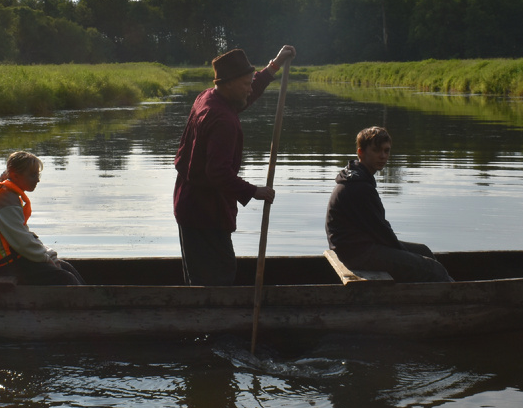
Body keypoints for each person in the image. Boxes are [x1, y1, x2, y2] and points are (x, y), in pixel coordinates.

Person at [173, 44, 296, 285]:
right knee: (217, 279)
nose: (250, 88)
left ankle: (202, 318)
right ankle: (211, 322)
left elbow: (248, 92)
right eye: (245, 83)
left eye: (251, 81)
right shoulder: (223, 121)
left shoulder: (210, 97)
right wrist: (254, 191)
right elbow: (217, 172)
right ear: (228, 83)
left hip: (190, 207)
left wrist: (275, 65)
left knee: (202, 278)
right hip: (205, 214)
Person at [325, 126, 453, 283]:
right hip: (356, 253)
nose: (383, 156)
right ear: (361, 152)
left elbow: (379, 231)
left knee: (424, 251)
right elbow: (382, 232)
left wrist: (410, 255)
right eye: (377, 150)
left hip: (357, 247)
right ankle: (455, 298)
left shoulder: (356, 177)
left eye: (386, 151)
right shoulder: (359, 186)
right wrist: (407, 255)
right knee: (433, 269)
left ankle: (426, 293)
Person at [0, 150, 84, 285]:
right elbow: (22, 241)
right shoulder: (3, 199)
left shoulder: (9, 195)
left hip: (11, 260)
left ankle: (90, 300)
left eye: (38, 174)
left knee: (66, 267)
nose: (38, 179)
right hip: (1, 266)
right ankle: (90, 304)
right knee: (65, 278)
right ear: (15, 175)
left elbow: (23, 236)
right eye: (33, 175)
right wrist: (46, 258)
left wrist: (49, 254)